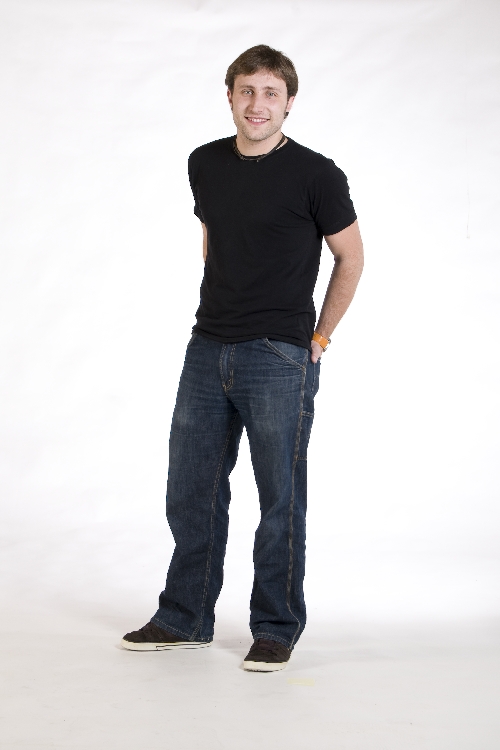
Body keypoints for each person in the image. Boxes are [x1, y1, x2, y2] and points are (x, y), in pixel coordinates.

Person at [122, 44, 364, 672]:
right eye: (247, 91)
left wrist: (319, 339)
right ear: (230, 96)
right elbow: (215, 237)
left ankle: (276, 628)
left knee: (280, 498)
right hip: (207, 348)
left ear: (289, 102)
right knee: (191, 491)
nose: (258, 104)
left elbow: (351, 257)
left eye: (270, 93)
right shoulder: (204, 162)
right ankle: (185, 617)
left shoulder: (317, 174)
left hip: (279, 354)